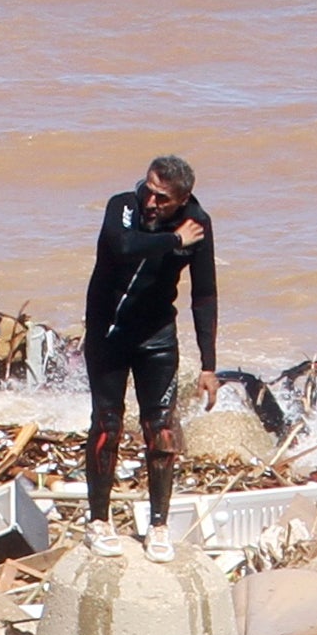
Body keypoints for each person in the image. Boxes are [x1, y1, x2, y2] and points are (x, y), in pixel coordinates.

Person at [80, 152, 218, 541]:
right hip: (108, 332)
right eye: (150, 190)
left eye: (162, 198)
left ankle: (159, 526)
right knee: (107, 424)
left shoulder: (199, 224)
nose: (151, 201)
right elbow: (122, 245)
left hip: (156, 337)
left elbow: (205, 294)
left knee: (161, 431)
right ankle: (98, 521)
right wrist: (173, 239)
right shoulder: (123, 206)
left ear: (183, 198)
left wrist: (209, 366)